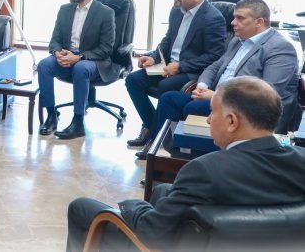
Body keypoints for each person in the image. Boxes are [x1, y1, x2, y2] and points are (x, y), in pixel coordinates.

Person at [66, 76, 305, 252]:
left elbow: (151, 233)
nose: (208, 120)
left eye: (212, 112)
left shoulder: (205, 170)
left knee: (81, 207)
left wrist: (134, 205)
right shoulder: (301, 159)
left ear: (232, 121)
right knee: (162, 191)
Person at [140, 0, 300, 159]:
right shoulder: (238, 40)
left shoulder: (279, 48)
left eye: (240, 18)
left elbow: (267, 93)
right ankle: (161, 153)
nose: (233, 23)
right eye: (234, 17)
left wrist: (217, 96)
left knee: (193, 107)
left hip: (247, 107)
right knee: (169, 99)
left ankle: (197, 160)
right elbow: (215, 66)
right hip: (215, 95)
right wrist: (202, 85)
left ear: (259, 22)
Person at [124, 0, 226, 149]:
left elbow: (214, 56)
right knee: (133, 80)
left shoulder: (212, 18)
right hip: (168, 66)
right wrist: (154, 57)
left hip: (191, 71)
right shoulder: (177, 10)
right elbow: (168, 39)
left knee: (166, 86)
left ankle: (155, 140)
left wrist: (180, 66)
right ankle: (152, 128)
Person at [37, 0, 115, 139]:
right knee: (44, 66)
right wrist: (57, 53)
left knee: (80, 68)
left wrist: (79, 57)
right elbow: (55, 40)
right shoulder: (65, 9)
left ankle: (78, 122)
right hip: (67, 55)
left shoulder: (105, 13)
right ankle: (51, 116)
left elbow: (106, 49)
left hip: (92, 60)